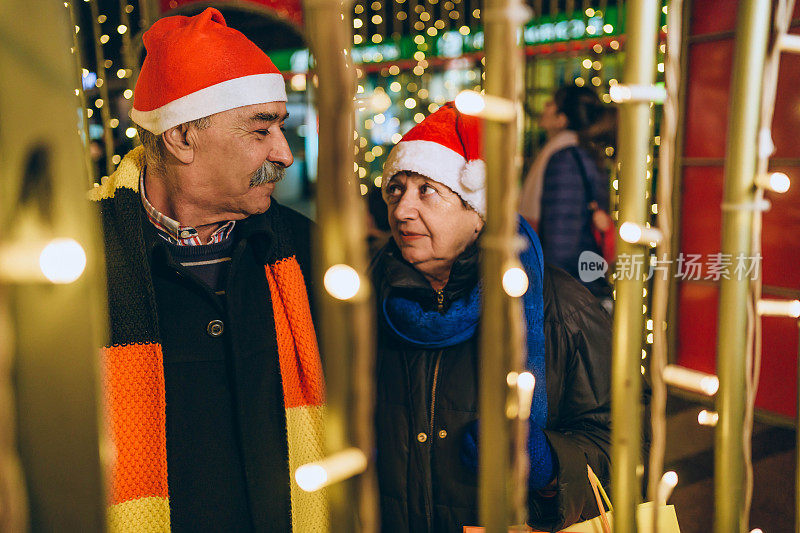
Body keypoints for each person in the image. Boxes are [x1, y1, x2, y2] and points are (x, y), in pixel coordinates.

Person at [89, 9, 325, 532]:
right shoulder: (84, 261)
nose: (284, 153)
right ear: (181, 138)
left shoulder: (309, 251)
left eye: (280, 128)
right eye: (261, 130)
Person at [371, 103, 612, 532]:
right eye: (396, 190)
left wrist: (550, 465)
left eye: (427, 190)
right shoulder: (365, 300)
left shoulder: (564, 308)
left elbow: (623, 439)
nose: (402, 209)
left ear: (478, 212)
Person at [519, 85, 614, 299]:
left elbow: (561, 237)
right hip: (581, 281)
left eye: (552, 103)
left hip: (570, 288)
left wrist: (549, 289)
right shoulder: (579, 152)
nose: (545, 106)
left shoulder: (565, 158)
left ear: (562, 119)